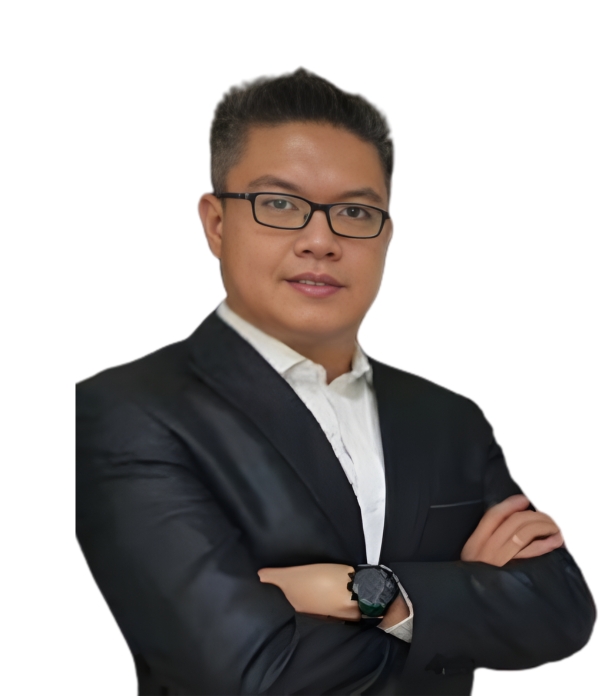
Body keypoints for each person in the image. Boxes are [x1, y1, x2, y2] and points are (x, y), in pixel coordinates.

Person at [76, 68, 595, 695]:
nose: (320, 241)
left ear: (386, 234)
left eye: (354, 211)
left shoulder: (446, 419)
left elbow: (562, 612)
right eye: (279, 204)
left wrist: (361, 593)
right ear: (217, 223)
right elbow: (246, 674)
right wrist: (459, 602)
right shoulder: (124, 411)